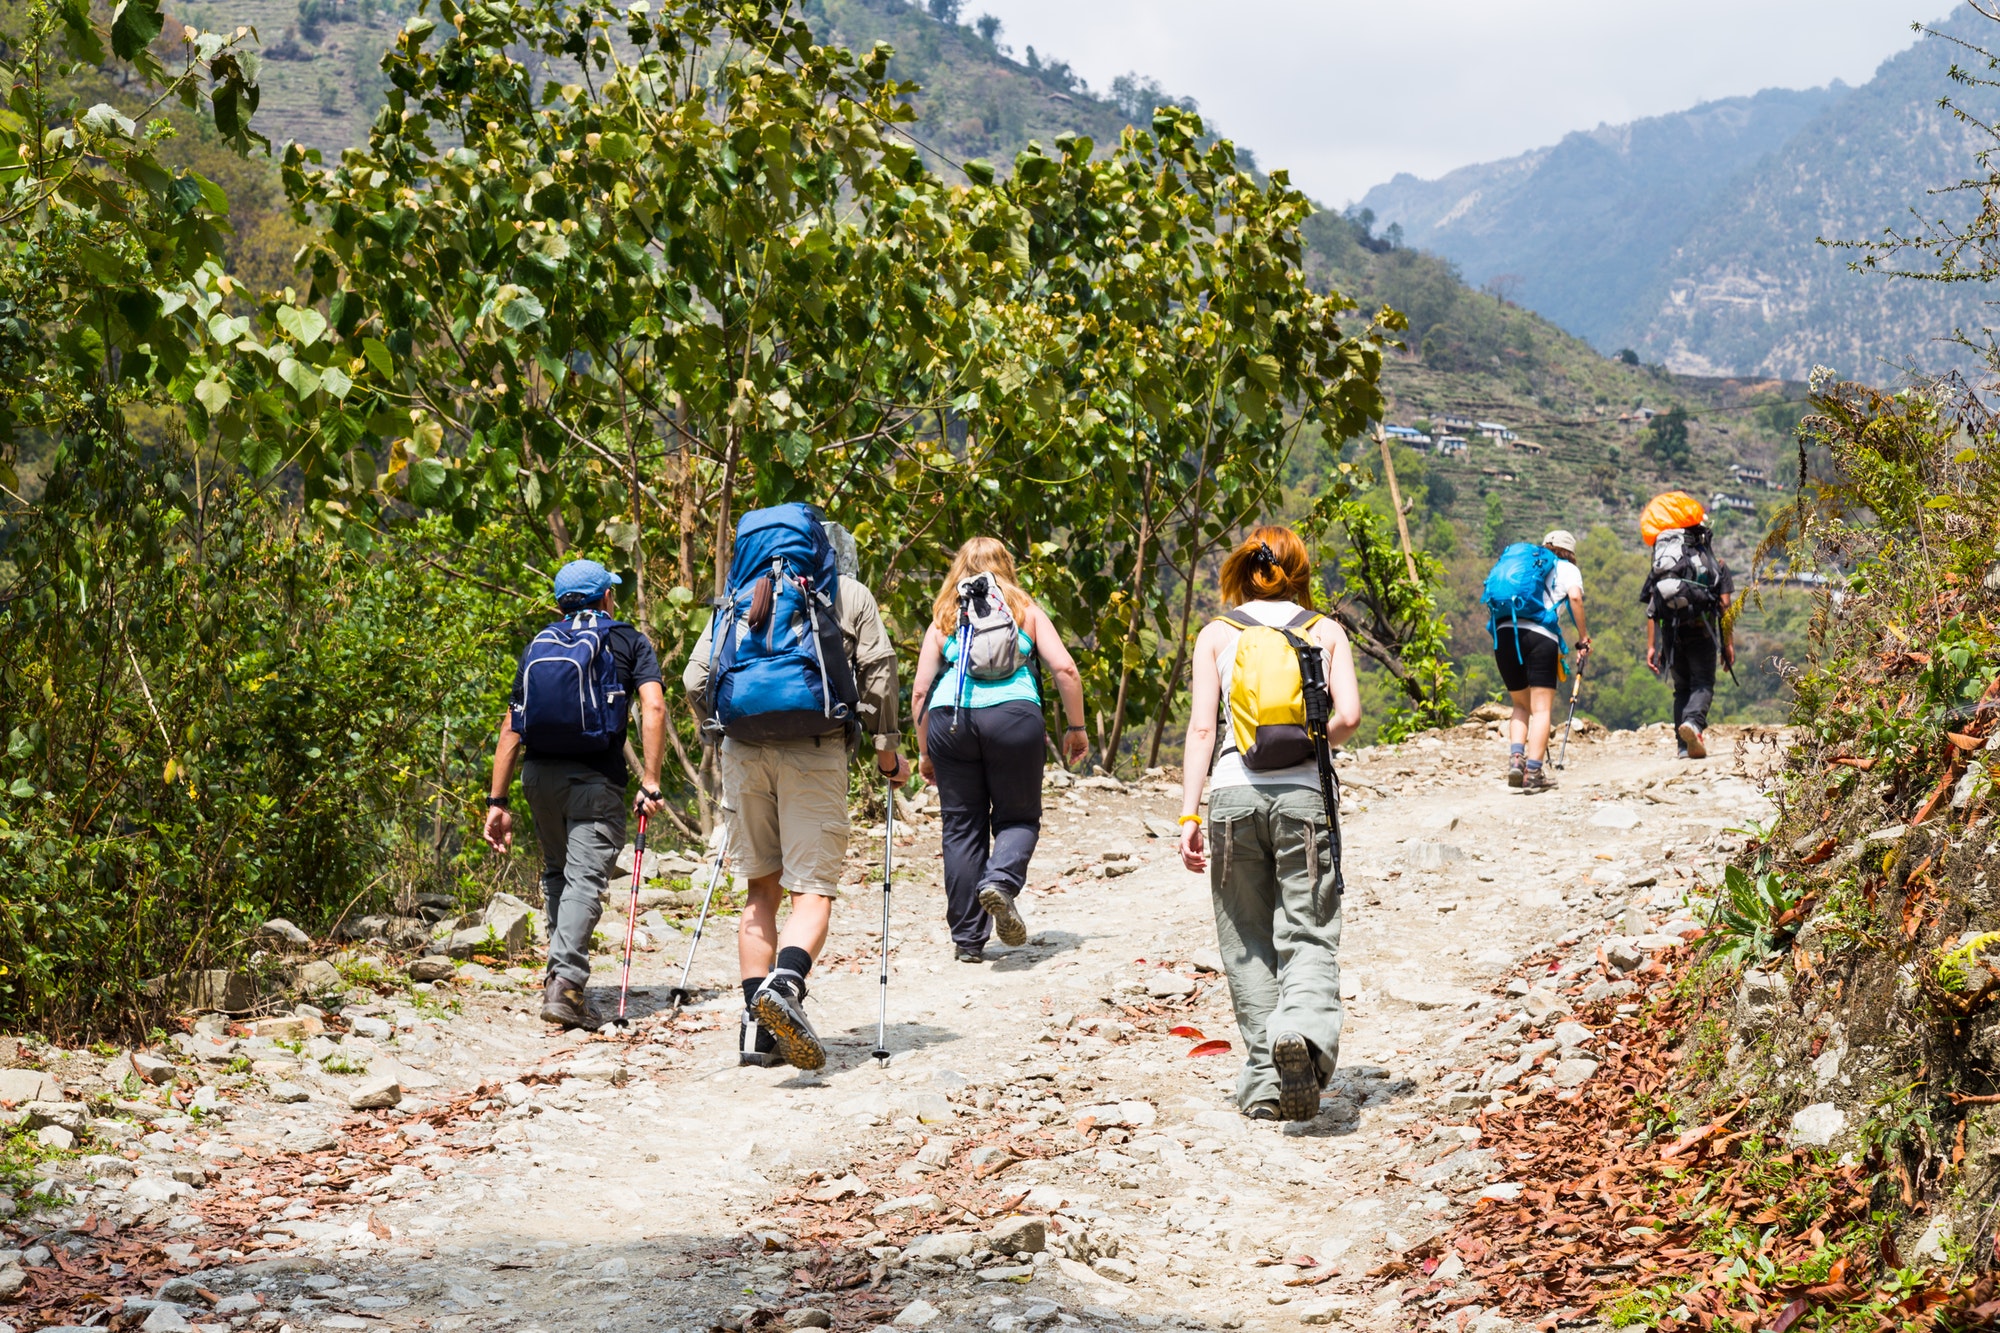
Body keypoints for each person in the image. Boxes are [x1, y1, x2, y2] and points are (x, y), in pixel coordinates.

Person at [683, 505, 909, 1072]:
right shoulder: (845, 593)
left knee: (761, 890)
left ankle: (756, 1034)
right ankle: (786, 985)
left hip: (743, 752)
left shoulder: (740, 594)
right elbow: (879, 671)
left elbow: (694, 679)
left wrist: (722, 731)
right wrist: (887, 750)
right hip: (814, 749)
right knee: (812, 889)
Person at [1175, 526, 1362, 1122]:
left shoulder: (1216, 633)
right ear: (1299, 568)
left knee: (1246, 941)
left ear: (1243, 569)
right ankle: (1302, 1036)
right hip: (1303, 800)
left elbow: (1203, 729)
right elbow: (1350, 717)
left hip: (1231, 798)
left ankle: (1263, 1087)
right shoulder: (1324, 630)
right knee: (1308, 931)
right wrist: (1307, 745)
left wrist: (1188, 810)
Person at [483, 559, 668, 1030]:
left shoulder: (539, 644)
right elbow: (654, 704)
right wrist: (650, 778)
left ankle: (558, 976)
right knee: (585, 879)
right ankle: (565, 986)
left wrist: (496, 802)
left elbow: (511, 726)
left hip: (538, 777)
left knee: (558, 874)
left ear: (560, 604)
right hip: (595, 781)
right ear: (606, 597)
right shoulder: (627, 639)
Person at [908, 539, 1088, 963]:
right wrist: (1076, 728)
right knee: (1018, 817)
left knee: (960, 828)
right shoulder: (1025, 610)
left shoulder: (945, 616)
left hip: (950, 720)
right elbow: (1064, 668)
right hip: (1014, 719)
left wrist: (924, 751)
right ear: (1005, 567)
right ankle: (1001, 883)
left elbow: (919, 691)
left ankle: (968, 941)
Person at [1490, 530, 1591, 794]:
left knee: (1520, 705)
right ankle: (1533, 773)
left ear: (1545, 546)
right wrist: (1583, 637)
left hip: (1504, 633)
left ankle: (1516, 759)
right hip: (1539, 637)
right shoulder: (1567, 568)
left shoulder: (1529, 564)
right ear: (1570, 552)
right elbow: (1575, 598)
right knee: (1542, 708)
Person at [1644, 531, 1735, 760]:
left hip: (1671, 636)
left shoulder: (1664, 566)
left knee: (1681, 689)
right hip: (1701, 632)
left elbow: (1652, 609)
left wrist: (1652, 647)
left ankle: (1683, 747)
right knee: (1702, 683)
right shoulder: (1716, 564)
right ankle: (1693, 724)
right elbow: (1725, 606)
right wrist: (1728, 644)